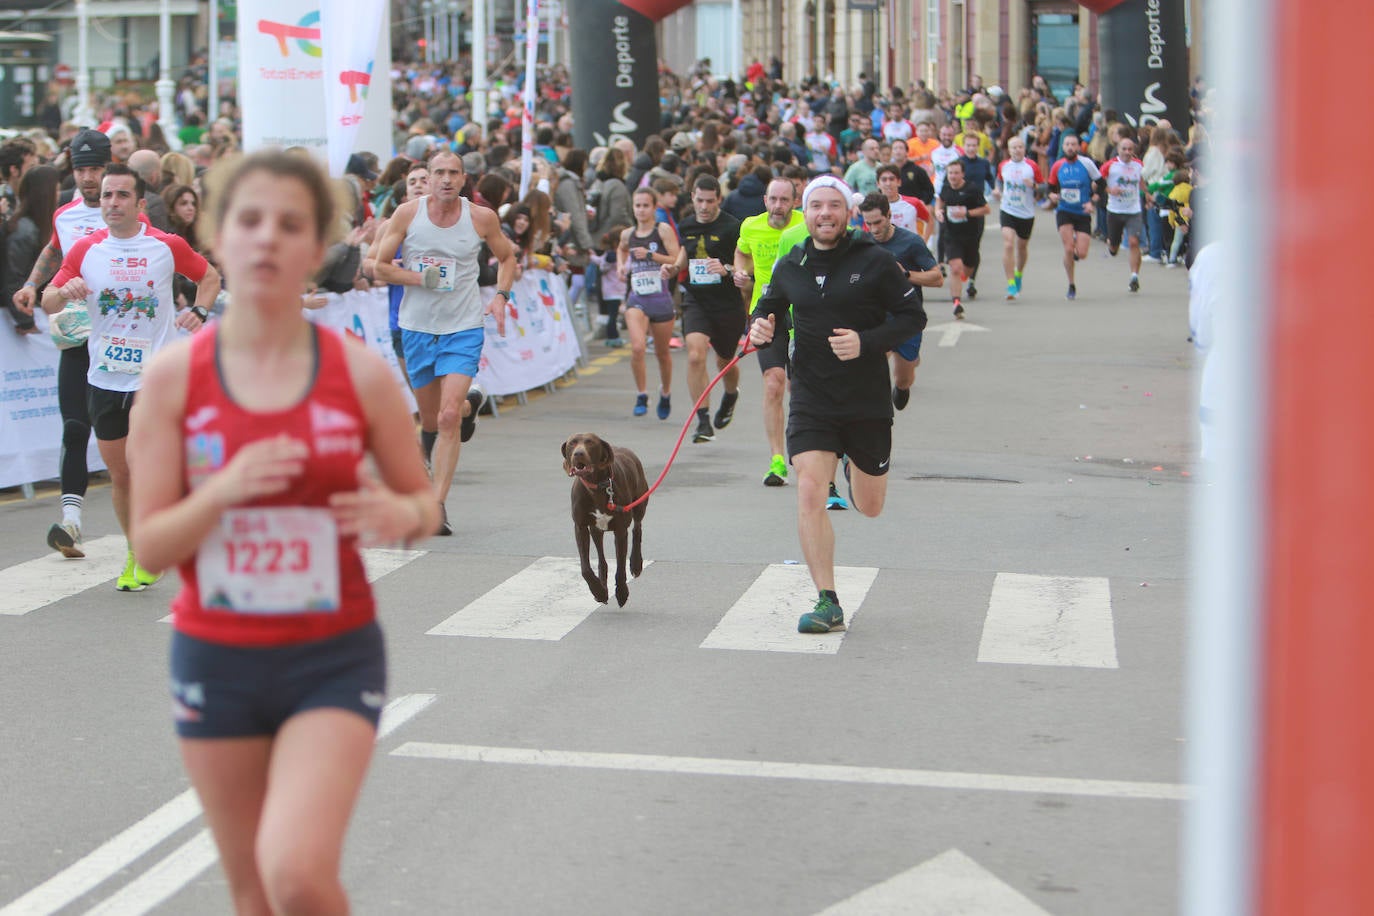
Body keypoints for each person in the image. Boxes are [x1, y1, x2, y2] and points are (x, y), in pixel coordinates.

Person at [127, 149, 438, 916]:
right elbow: (150, 547)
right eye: (249, 220)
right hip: (217, 658)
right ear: (218, 237)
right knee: (252, 893)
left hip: (330, 658)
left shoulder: (358, 373)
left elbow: (420, 506)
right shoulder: (173, 380)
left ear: (315, 249)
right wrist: (225, 491)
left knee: (295, 872)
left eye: (290, 224)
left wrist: (393, 515)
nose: (267, 238)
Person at [749, 176, 926, 633]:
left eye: (833, 206)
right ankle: (827, 600)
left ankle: (852, 466)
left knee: (870, 506)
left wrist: (867, 342)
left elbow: (913, 316)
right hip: (811, 397)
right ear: (804, 214)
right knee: (809, 489)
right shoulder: (791, 264)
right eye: (816, 207)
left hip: (865, 399)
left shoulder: (876, 262)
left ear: (847, 213)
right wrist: (761, 330)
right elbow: (768, 310)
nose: (824, 214)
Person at [41, 163, 220, 589]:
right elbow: (48, 300)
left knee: (142, 465)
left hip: (153, 378)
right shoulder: (86, 250)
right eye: (106, 195)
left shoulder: (165, 244)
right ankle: (137, 550)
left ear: (140, 204)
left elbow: (209, 276)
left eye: (122, 195)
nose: (113, 203)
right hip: (104, 376)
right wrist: (62, 293)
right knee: (120, 476)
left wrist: (198, 310)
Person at [371, 150, 517, 536]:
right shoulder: (407, 214)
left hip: (464, 327)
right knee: (432, 419)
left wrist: (501, 296)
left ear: (464, 178)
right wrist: (421, 280)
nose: (447, 180)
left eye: (454, 173)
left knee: (447, 417)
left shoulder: (481, 218)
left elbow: (507, 258)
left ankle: (437, 504)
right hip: (417, 327)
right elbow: (379, 265)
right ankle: (472, 406)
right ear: (429, 177)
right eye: (439, 173)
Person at [13, 129, 131, 559]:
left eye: (95, 168)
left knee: (124, 438)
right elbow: (53, 249)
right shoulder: (64, 214)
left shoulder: (128, 213)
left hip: (122, 341)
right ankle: (72, 522)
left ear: (109, 169)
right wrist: (32, 284)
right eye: (80, 168)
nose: (86, 177)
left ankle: (149, 521)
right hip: (78, 336)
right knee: (75, 426)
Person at [733, 177, 803, 486]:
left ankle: (806, 449)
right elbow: (741, 252)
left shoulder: (806, 225)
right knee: (773, 384)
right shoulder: (750, 226)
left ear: (794, 202)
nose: (778, 206)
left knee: (799, 388)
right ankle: (777, 460)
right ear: (765, 201)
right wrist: (742, 274)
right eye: (773, 199)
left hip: (804, 316)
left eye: (784, 200)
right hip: (767, 316)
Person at [671, 175, 744, 444]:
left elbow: (742, 265)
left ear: (718, 200)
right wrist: (674, 267)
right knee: (694, 355)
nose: (704, 206)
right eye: (699, 200)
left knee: (725, 360)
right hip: (696, 300)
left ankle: (731, 393)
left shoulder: (731, 226)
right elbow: (684, 255)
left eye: (709, 201)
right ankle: (702, 421)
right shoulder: (686, 224)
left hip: (727, 303)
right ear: (692, 198)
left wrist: (725, 268)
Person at [858, 192, 943, 409]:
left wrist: (906, 275)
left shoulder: (911, 242)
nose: (874, 229)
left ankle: (904, 380)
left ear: (889, 215)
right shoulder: (862, 242)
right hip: (876, 318)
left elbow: (937, 278)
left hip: (907, 317)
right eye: (868, 223)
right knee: (870, 368)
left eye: (878, 222)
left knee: (903, 379)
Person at [617, 187, 679, 418]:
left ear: (654, 208)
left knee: (663, 353)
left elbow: (677, 257)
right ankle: (642, 394)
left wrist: (651, 256)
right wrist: (621, 266)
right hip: (637, 299)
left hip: (661, 299)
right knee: (637, 347)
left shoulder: (661, 230)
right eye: (637, 206)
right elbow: (621, 250)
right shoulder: (627, 234)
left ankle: (665, 392)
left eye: (645, 206)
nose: (641, 210)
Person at [2, 165, 61, 335]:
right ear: (45, 194)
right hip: (22, 317)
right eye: (56, 190)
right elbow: (14, 279)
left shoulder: (39, 227)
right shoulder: (24, 232)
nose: (59, 195)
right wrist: (27, 322)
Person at [1047, 132, 1102, 300]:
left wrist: (1092, 202)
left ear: (1078, 147)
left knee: (1082, 253)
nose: (1070, 147)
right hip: (1065, 210)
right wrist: (1052, 196)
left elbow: (1101, 184)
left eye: (1073, 144)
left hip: (1083, 212)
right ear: (1063, 147)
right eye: (1067, 144)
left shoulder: (1087, 164)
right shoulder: (1057, 166)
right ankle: (1071, 284)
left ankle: (1071, 257)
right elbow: (1050, 187)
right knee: (1069, 248)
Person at [935, 159, 989, 319]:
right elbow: (940, 199)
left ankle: (965, 276)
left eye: (956, 173)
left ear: (962, 174)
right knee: (955, 268)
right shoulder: (945, 188)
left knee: (968, 268)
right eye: (950, 173)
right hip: (952, 236)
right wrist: (938, 211)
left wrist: (967, 213)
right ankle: (957, 304)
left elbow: (986, 209)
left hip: (970, 235)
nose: (953, 176)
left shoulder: (972, 189)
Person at [993, 135, 1044, 299]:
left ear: (1024, 149)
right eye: (1013, 147)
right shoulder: (1003, 165)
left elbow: (1042, 187)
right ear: (1009, 150)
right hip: (1007, 209)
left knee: (1022, 247)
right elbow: (999, 181)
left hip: (1026, 212)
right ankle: (1010, 284)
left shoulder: (1031, 166)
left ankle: (1019, 274)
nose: (1017, 150)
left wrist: (1034, 186)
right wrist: (997, 191)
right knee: (1008, 244)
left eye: (1020, 147)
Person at [1100, 133, 1148, 292]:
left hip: (1134, 210)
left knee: (1134, 242)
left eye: (1130, 149)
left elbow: (1142, 182)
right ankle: (1112, 245)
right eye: (1124, 149)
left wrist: (1148, 195)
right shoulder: (1110, 166)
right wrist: (1109, 190)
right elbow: (1098, 184)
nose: (1127, 152)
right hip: (1114, 210)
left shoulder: (1139, 165)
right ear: (1118, 150)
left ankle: (1135, 276)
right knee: (1114, 247)